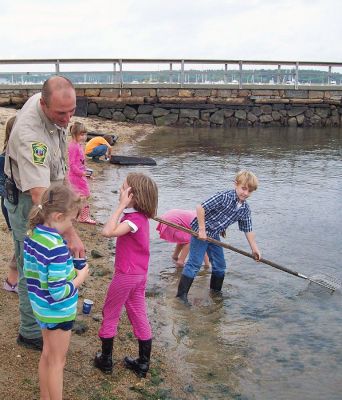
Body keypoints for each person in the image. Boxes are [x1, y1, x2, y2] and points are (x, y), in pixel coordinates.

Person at [4, 75, 85, 351]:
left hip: (51, 195)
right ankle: (30, 332)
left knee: (43, 255)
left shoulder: (54, 107)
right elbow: (40, 195)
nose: (67, 119)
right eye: (61, 113)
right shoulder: (30, 135)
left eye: (72, 111)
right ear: (43, 103)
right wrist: (71, 234)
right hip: (29, 200)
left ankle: (51, 311)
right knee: (33, 268)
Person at [23, 184, 89, 400]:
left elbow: (35, 271)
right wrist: (80, 276)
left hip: (40, 308)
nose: (71, 226)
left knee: (47, 355)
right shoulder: (57, 247)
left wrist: (69, 266)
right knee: (58, 363)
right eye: (71, 221)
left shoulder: (32, 234)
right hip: (57, 311)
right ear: (59, 216)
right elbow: (59, 291)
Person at [94, 172, 158, 377]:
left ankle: (105, 360)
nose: (120, 190)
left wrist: (121, 206)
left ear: (132, 195)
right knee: (138, 313)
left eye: (124, 188)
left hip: (126, 275)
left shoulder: (133, 221)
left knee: (110, 312)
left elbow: (107, 232)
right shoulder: (142, 218)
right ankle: (142, 363)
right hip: (140, 275)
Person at [176, 170, 261, 304]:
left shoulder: (245, 208)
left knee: (220, 266)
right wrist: (202, 230)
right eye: (243, 188)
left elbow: (248, 228)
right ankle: (181, 297)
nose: (245, 193)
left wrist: (254, 248)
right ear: (236, 185)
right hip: (200, 232)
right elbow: (200, 207)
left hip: (214, 234)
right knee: (194, 264)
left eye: (249, 191)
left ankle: (215, 294)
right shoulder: (224, 197)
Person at [0, 116, 18, 293]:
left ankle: (13, 280)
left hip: (12, 204)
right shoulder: (4, 157)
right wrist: (10, 195)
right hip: (10, 205)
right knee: (19, 242)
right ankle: (11, 282)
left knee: (20, 242)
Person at [67, 121, 96, 224]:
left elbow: (81, 163)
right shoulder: (73, 146)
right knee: (84, 195)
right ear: (75, 134)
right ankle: (82, 217)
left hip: (80, 175)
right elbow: (72, 165)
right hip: (76, 176)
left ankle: (76, 215)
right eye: (82, 134)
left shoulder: (79, 145)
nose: (84, 137)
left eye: (85, 134)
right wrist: (82, 173)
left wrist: (87, 174)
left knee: (80, 196)